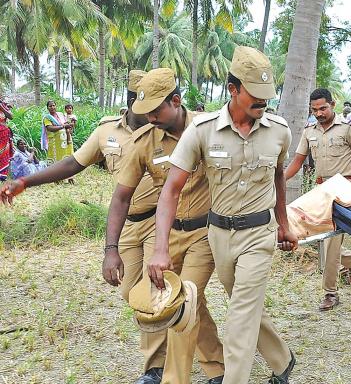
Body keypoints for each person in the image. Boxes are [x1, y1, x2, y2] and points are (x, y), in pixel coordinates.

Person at [0, 70, 185, 384]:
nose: (146, 110)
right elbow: (73, 164)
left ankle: (157, 368)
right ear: (130, 100)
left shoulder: (170, 130)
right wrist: (26, 181)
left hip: (162, 220)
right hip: (128, 223)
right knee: (132, 291)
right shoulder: (106, 131)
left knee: (155, 288)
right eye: (138, 101)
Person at [148, 46, 296, 384]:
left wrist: (283, 225)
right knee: (244, 303)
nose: (263, 104)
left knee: (239, 318)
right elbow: (171, 190)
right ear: (233, 89)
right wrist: (160, 249)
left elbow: (278, 177)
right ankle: (283, 359)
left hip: (259, 233)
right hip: (219, 235)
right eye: (255, 97)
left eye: (266, 97)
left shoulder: (279, 131)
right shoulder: (203, 131)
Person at [108, 68, 225, 384]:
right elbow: (121, 198)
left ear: (176, 100)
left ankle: (173, 378)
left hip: (206, 231)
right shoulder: (144, 142)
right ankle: (218, 367)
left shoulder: (210, 128)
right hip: (169, 232)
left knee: (182, 298)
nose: (150, 118)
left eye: (156, 111)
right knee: (188, 300)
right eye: (144, 113)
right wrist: (110, 249)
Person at [284, 88, 351, 311]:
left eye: (323, 108)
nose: (319, 113)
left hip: (344, 189)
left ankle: (330, 293)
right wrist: (278, 181)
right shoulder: (308, 132)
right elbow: (297, 161)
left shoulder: (348, 129)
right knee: (325, 241)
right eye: (314, 110)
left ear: (333, 105)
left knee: (330, 242)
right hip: (321, 191)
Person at [42, 100, 75, 184]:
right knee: (57, 159)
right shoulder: (47, 118)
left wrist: (70, 125)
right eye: (50, 106)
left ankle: (70, 177)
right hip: (55, 143)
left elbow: (68, 123)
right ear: (47, 108)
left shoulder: (61, 115)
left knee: (68, 158)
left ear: (56, 106)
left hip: (66, 141)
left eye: (53, 105)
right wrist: (63, 126)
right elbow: (49, 128)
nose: (52, 107)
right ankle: (57, 178)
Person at [0, 103, 12, 181]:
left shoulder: (4, 105)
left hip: (4, 135)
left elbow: (10, 117)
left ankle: (2, 176)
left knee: (4, 154)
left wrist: (1, 107)